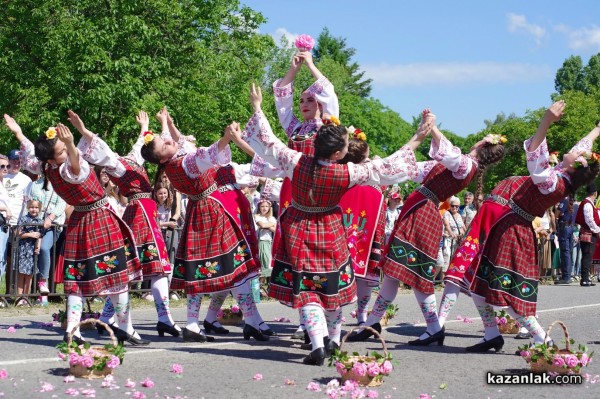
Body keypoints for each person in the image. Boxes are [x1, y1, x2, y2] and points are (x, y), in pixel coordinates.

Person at [228, 83, 430, 365]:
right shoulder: (346, 172)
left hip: (298, 226)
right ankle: (332, 341)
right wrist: (418, 136)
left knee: (308, 290)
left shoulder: (296, 161)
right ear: (337, 153)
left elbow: (270, 141)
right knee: (331, 288)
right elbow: (386, 167)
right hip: (330, 229)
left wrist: (258, 107)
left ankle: (319, 343)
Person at [442, 101, 600, 352]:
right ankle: (492, 334)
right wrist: (597, 130)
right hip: (508, 226)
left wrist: (546, 121)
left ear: (574, 165)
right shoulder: (564, 174)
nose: (574, 150)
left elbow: (535, 153)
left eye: (577, 155)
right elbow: (581, 148)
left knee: (506, 295)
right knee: (479, 284)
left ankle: (542, 339)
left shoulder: (552, 182)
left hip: (513, 231)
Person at [348, 112, 506, 344]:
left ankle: (433, 326)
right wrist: (373, 168)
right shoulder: (453, 164)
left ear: (482, 145)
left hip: (422, 214)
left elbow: (448, 151)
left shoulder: (466, 165)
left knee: (416, 271)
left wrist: (431, 128)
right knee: (393, 272)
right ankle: (372, 323)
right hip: (418, 210)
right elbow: (412, 169)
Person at [5, 114, 144, 346]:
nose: (66, 148)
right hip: (98, 219)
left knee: (78, 279)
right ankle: (125, 327)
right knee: (116, 276)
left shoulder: (46, 168)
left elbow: (31, 154)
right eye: (61, 150)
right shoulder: (64, 170)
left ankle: (73, 329)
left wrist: (19, 132)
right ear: (52, 159)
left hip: (80, 221)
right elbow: (77, 168)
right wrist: (70, 143)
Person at [140, 108, 269, 344]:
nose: (168, 139)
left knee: (198, 269)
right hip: (212, 210)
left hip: (199, 211)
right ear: (162, 157)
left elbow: (172, 141)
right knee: (235, 265)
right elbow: (209, 153)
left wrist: (165, 122)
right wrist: (228, 137)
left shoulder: (170, 161)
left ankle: (193, 323)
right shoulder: (185, 163)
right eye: (164, 143)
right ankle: (251, 320)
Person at [70, 109, 179, 338]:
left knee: (131, 271)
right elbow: (100, 146)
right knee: (157, 267)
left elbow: (144, 147)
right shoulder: (116, 164)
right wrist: (82, 130)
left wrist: (145, 127)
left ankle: (106, 318)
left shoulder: (130, 160)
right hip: (142, 212)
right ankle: (164, 319)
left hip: (140, 211)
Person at [272, 49, 340, 341]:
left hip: (322, 192)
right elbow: (281, 97)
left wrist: (311, 64)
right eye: (301, 101)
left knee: (321, 256)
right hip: (294, 192)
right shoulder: (294, 127)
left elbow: (329, 91)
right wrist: (293, 69)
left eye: (310, 99)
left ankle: (324, 317)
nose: (303, 104)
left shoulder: (329, 124)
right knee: (296, 254)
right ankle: (308, 321)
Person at [336, 130, 387, 327]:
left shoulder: (342, 177)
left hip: (343, 234)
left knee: (339, 273)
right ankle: (362, 314)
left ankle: (336, 313)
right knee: (365, 277)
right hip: (366, 237)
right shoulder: (375, 179)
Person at [15, 199, 43, 305]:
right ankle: (19, 298)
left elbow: (40, 235)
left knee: (29, 275)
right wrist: (30, 234)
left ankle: (25, 298)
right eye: (32, 207)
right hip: (23, 250)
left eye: (36, 207)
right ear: (28, 207)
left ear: (39, 209)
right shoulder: (23, 219)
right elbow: (18, 233)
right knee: (21, 274)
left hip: (32, 251)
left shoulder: (40, 221)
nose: (34, 209)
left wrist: (39, 245)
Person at [575, 183, 599, 287]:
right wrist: (597, 230)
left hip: (588, 232)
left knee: (587, 256)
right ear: (595, 193)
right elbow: (589, 220)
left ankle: (586, 277)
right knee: (587, 256)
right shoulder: (587, 204)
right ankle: (584, 279)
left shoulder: (588, 203)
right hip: (588, 233)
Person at [439, 196, 465, 283]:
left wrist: (462, 234)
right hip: (448, 239)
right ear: (450, 205)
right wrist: (451, 233)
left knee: (454, 258)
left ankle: (450, 277)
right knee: (447, 256)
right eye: (453, 205)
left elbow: (462, 227)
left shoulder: (459, 216)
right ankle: (443, 279)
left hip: (457, 240)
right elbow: (446, 225)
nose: (455, 208)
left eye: (457, 206)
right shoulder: (446, 213)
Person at [254, 199, 276, 292]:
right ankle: (259, 288)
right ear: (259, 207)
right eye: (262, 206)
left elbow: (275, 230)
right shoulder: (257, 216)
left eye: (266, 206)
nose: (264, 208)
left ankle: (269, 288)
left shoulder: (271, 217)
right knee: (265, 263)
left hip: (270, 241)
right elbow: (261, 225)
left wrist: (269, 225)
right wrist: (271, 225)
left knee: (270, 263)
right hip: (262, 241)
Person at [554, 194, 576, 284]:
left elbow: (556, 214)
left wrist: (558, 211)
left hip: (564, 227)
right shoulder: (573, 202)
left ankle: (566, 276)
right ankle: (567, 275)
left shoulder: (564, 201)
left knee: (565, 252)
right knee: (568, 251)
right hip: (570, 227)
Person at [0, 155, 13, 288]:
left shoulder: (4, 183)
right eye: (2, 166)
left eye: (7, 166)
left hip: (4, 225)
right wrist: (5, 208)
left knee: (2, 261)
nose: (5, 168)